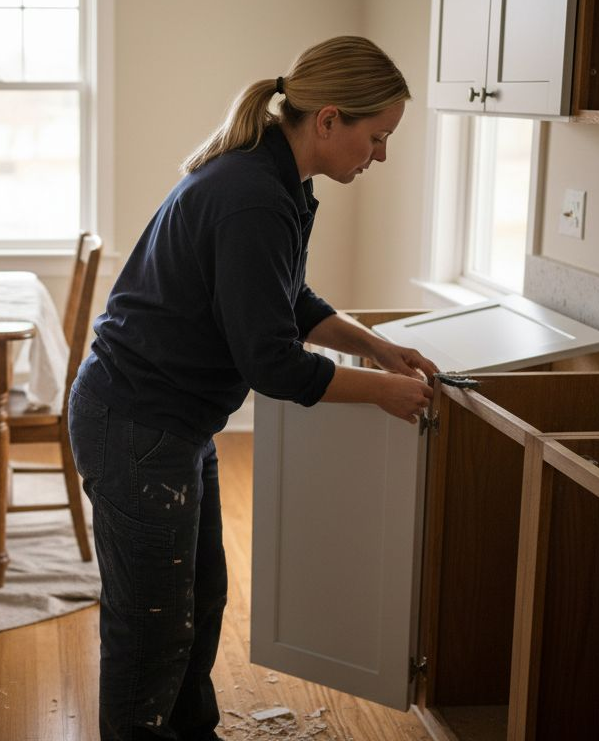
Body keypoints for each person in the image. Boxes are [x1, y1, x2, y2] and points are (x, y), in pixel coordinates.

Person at [66, 36, 442, 740]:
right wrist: (383, 395)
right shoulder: (252, 196)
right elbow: (272, 363)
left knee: (199, 601)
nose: (381, 154)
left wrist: (376, 348)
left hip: (168, 423)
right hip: (136, 425)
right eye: (378, 136)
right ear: (329, 120)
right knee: (150, 627)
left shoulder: (279, 181)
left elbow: (286, 300)